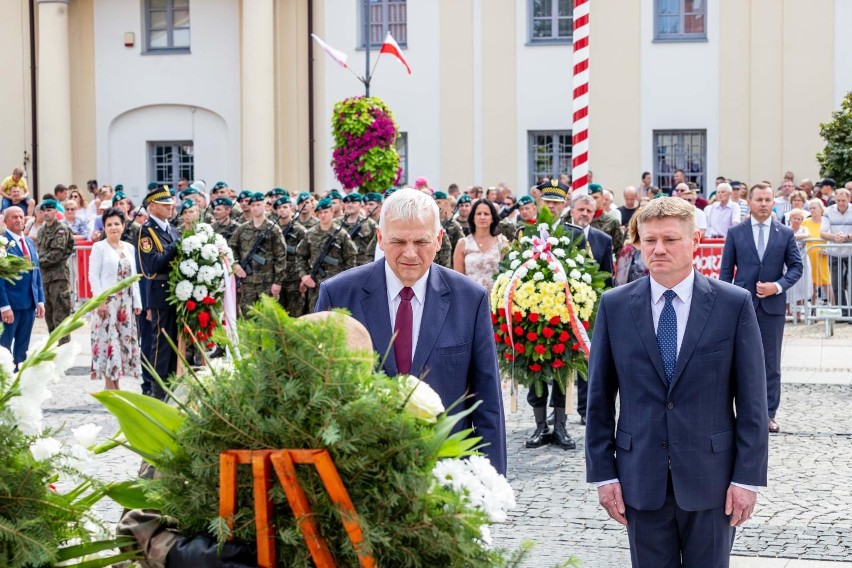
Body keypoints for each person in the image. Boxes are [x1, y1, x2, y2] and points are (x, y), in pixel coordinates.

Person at [585, 197, 769, 568]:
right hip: (640, 479)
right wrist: (603, 473)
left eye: (669, 239)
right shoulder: (615, 305)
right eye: (649, 240)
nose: (658, 249)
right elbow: (599, 399)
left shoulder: (732, 304)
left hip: (713, 480)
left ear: (695, 240)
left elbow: (752, 401)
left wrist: (747, 479)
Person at [314, 188, 507, 474]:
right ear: (380, 238)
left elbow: (487, 400)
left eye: (421, 241)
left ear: (439, 239)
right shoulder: (338, 295)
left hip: (446, 473)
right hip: (358, 474)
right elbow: (319, 396)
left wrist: (493, 483)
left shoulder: (470, 299)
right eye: (398, 241)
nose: (410, 253)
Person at [720, 183, 803, 434]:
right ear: (750, 201)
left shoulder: (785, 233)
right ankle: (734, 414)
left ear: (773, 203)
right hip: (740, 307)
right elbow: (726, 273)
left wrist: (777, 287)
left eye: (768, 199)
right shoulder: (735, 232)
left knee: (770, 363)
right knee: (735, 361)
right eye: (759, 200)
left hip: (771, 308)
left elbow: (796, 268)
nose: (764, 204)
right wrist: (725, 304)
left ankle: (768, 414)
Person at [89, 207, 143, 390]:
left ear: (123, 226)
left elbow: (134, 276)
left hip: (125, 303)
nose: (113, 227)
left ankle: (117, 383)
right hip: (108, 302)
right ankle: (108, 384)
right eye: (109, 224)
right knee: (107, 340)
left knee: (122, 342)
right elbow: (93, 276)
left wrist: (137, 301)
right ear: (104, 227)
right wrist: (100, 301)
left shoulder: (129, 248)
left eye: (116, 224)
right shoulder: (99, 247)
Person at [136, 185, 181, 400]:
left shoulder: (172, 230)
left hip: (176, 292)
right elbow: (152, 263)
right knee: (161, 343)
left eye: (171, 204)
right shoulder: (147, 232)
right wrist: (176, 247)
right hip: (160, 291)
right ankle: (158, 388)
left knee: (174, 341)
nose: (170, 208)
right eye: (165, 205)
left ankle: (173, 382)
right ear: (152, 207)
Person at [0, 206, 45, 370]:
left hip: (29, 304)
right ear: (5, 221)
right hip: (10, 305)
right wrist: (4, 306)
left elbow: (36, 273)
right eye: (14, 217)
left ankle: (19, 383)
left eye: (21, 216)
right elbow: (0, 278)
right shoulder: (2, 244)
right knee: (4, 348)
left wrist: (40, 300)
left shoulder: (29, 242)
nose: (19, 220)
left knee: (22, 349)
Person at [295, 198, 356, 313]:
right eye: (320, 212)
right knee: (315, 317)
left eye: (326, 212)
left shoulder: (341, 235)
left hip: (337, 284)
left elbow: (350, 259)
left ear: (332, 212)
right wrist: (304, 275)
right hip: (315, 285)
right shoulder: (310, 233)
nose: (323, 215)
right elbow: (300, 256)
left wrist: (346, 281)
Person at [229, 193, 286, 316]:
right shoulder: (242, 229)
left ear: (265, 206)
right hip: (247, 281)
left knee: (267, 317)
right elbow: (231, 248)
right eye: (253, 205)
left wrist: (277, 282)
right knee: (247, 315)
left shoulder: (273, 229)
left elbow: (281, 257)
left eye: (258, 205)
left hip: (267, 282)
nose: (255, 208)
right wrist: (236, 264)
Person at [35, 200, 75, 344]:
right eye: (44, 211)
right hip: (45, 278)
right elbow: (41, 250)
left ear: (55, 212)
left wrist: (37, 261)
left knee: (61, 316)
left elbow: (56, 255)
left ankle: (64, 350)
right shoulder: (41, 230)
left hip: (59, 278)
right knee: (49, 316)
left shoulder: (61, 229)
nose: (46, 213)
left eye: (49, 210)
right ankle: (54, 349)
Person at [452, 199, 508, 292]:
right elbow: (458, 281)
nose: (482, 217)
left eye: (486, 214)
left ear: (492, 218)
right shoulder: (463, 244)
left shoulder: (502, 243)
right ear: (473, 217)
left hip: (495, 300)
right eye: (478, 214)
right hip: (470, 299)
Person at [819, 187, 852, 317]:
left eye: (843, 200)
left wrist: (847, 237)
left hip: (850, 251)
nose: (841, 203)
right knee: (837, 283)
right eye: (838, 200)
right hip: (834, 252)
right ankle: (843, 312)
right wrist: (834, 237)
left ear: (849, 199)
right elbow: (822, 232)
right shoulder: (828, 211)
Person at [273, 194, 307, 317]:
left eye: (285, 207)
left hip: (294, 278)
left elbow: (304, 255)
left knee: (295, 315)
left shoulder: (299, 230)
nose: (282, 210)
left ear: (291, 209)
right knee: (278, 316)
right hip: (277, 278)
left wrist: (303, 277)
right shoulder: (272, 229)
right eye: (279, 208)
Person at [802, 199, 832, 303]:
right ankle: (813, 311)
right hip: (809, 256)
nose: (812, 210)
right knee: (812, 284)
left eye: (814, 208)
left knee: (826, 282)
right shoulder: (805, 222)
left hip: (822, 256)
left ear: (821, 209)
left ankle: (835, 308)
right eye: (810, 208)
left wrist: (827, 249)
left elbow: (831, 235)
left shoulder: (826, 220)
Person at [786, 208, 812, 321]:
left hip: (802, 260)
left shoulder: (803, 229)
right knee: (788, 287)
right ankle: (788, 312)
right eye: (794, 218)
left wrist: (792, 236)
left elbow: (807, 235)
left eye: (799, 219)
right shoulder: (786, 229)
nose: (796, 220)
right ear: (790, 219)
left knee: (801, 286)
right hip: (787, 262)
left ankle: (797, 312)